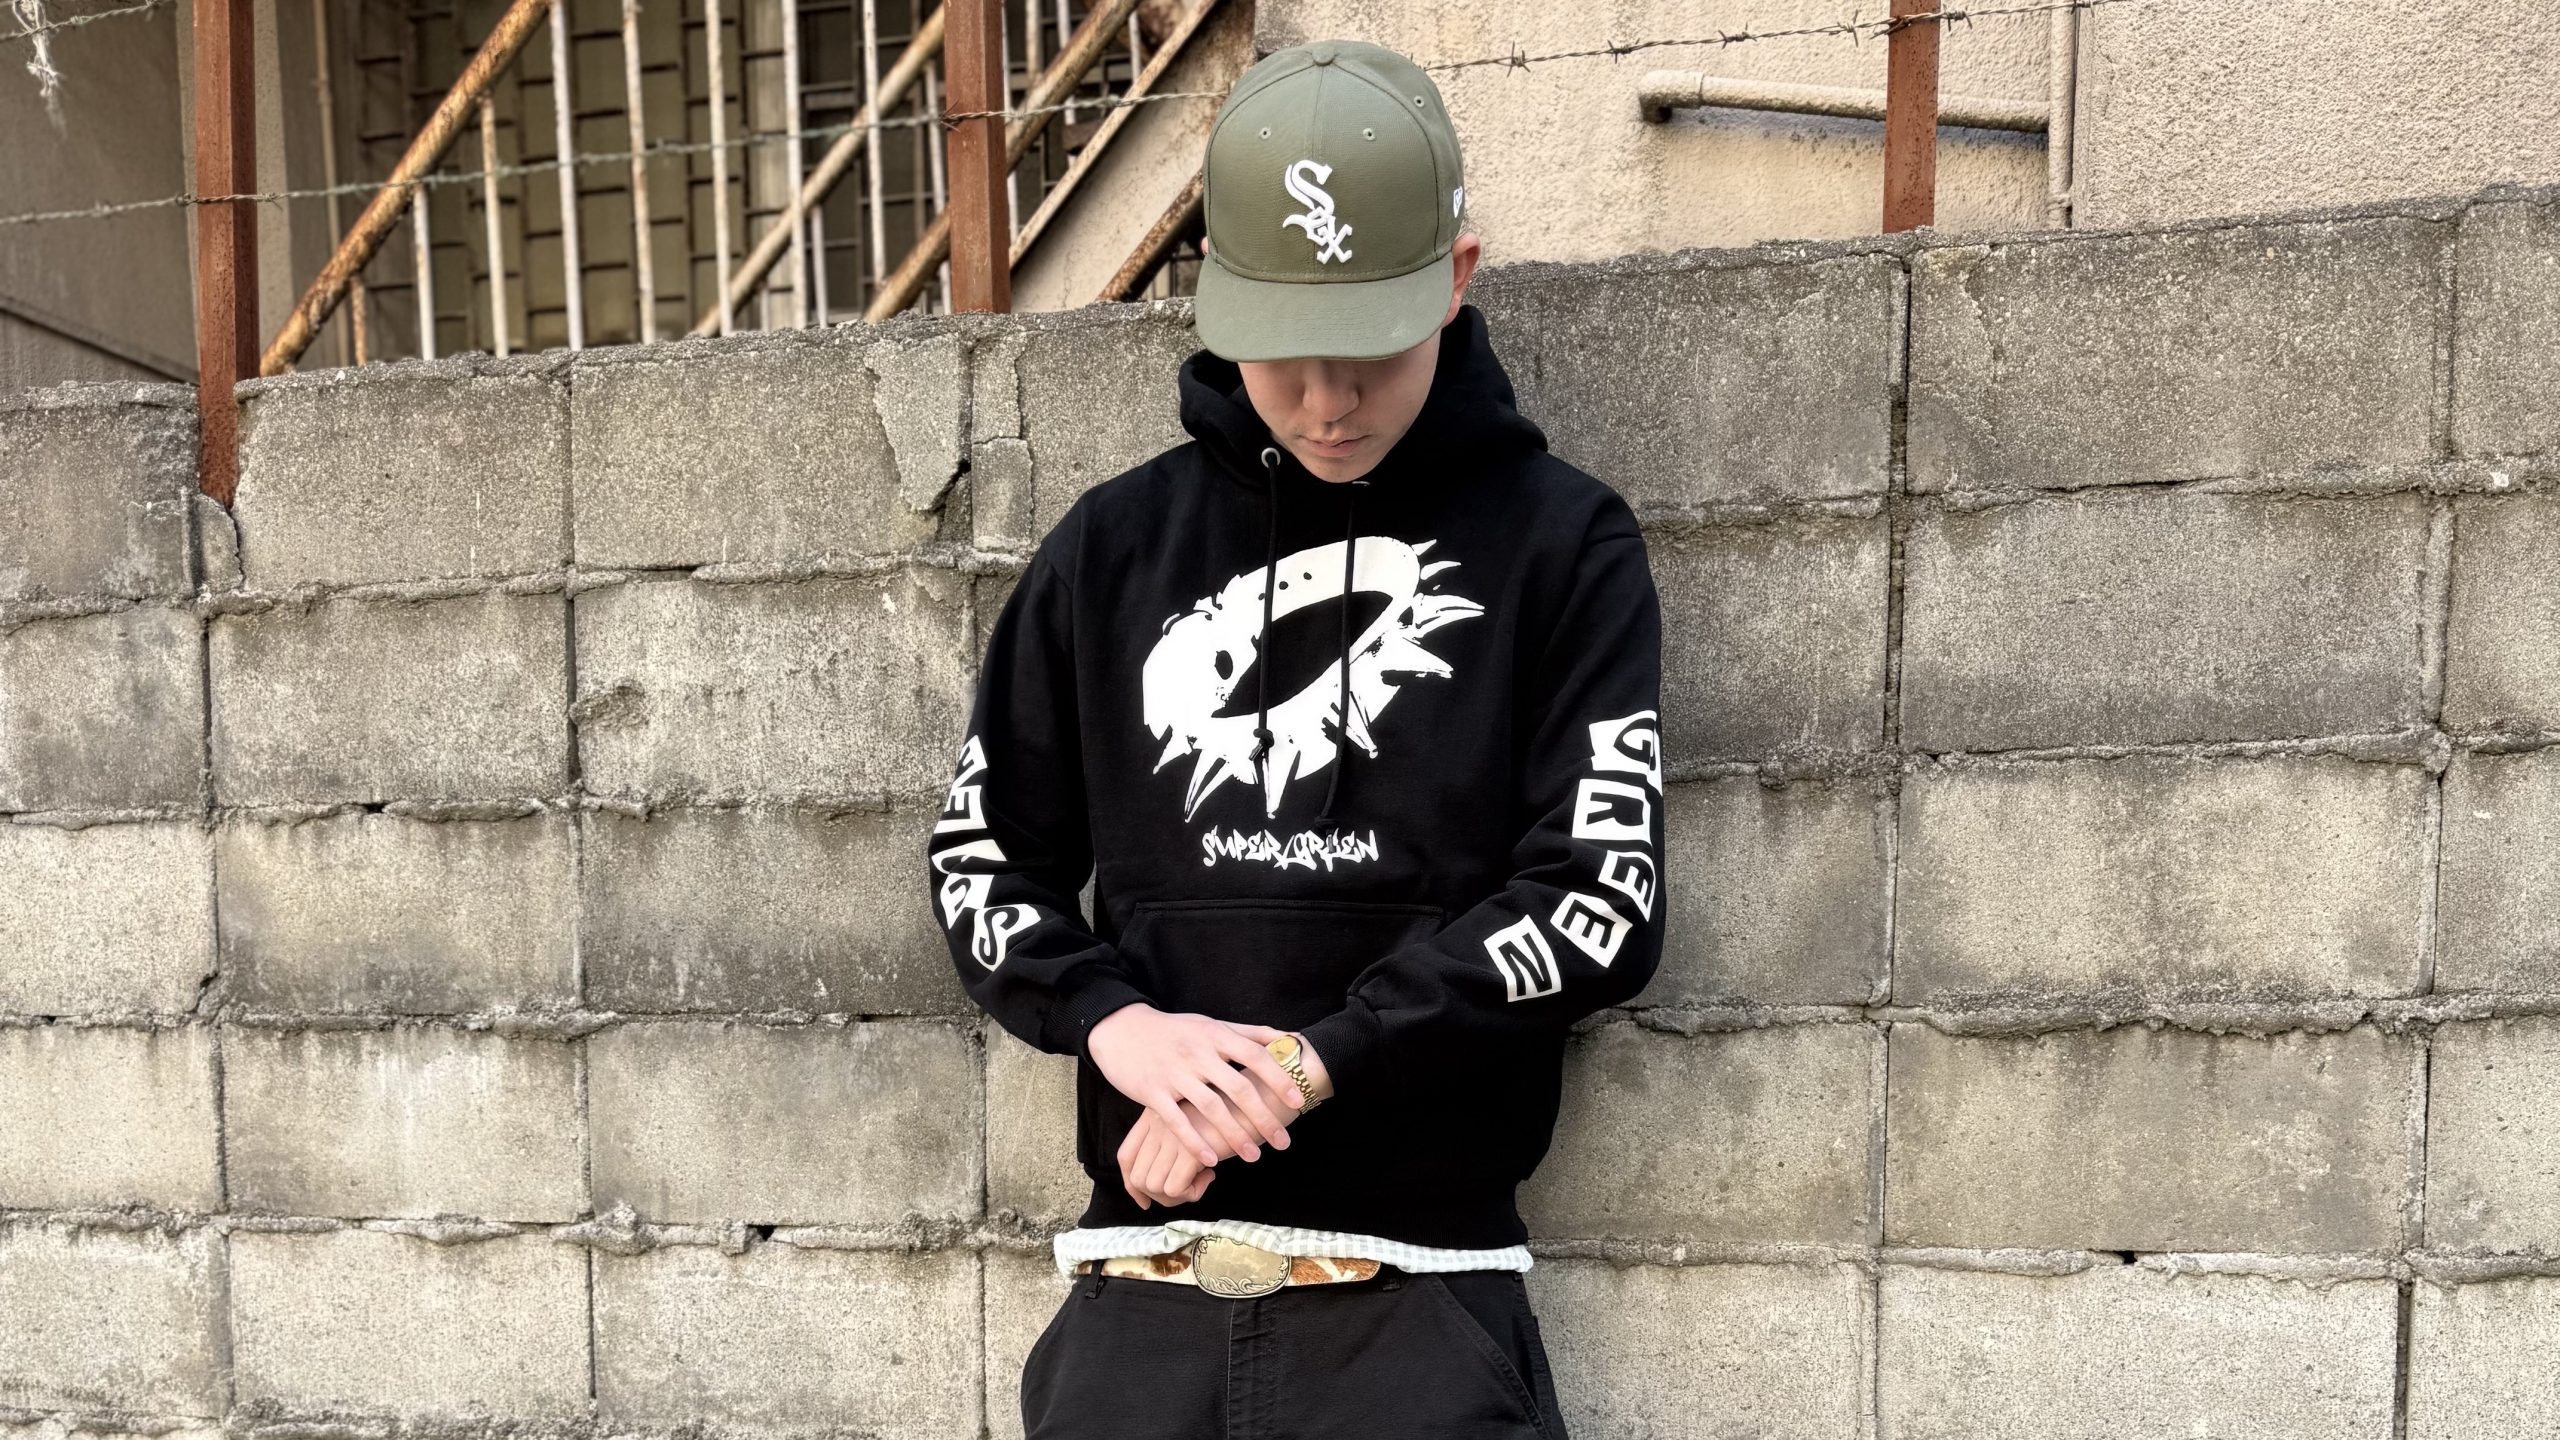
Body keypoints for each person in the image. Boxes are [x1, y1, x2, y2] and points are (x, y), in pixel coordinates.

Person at [925, 36, 1667, 1440]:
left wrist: (1304, 1069)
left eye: (1371, 352)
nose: (1328, 401)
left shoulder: (1561, 544)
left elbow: (1601, 900)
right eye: (1282, 355)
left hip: (1416, 1311)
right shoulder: (1111, 549)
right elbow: (981, 856)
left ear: (1456, 278)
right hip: (1140, 1298)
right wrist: (1121, 1029)